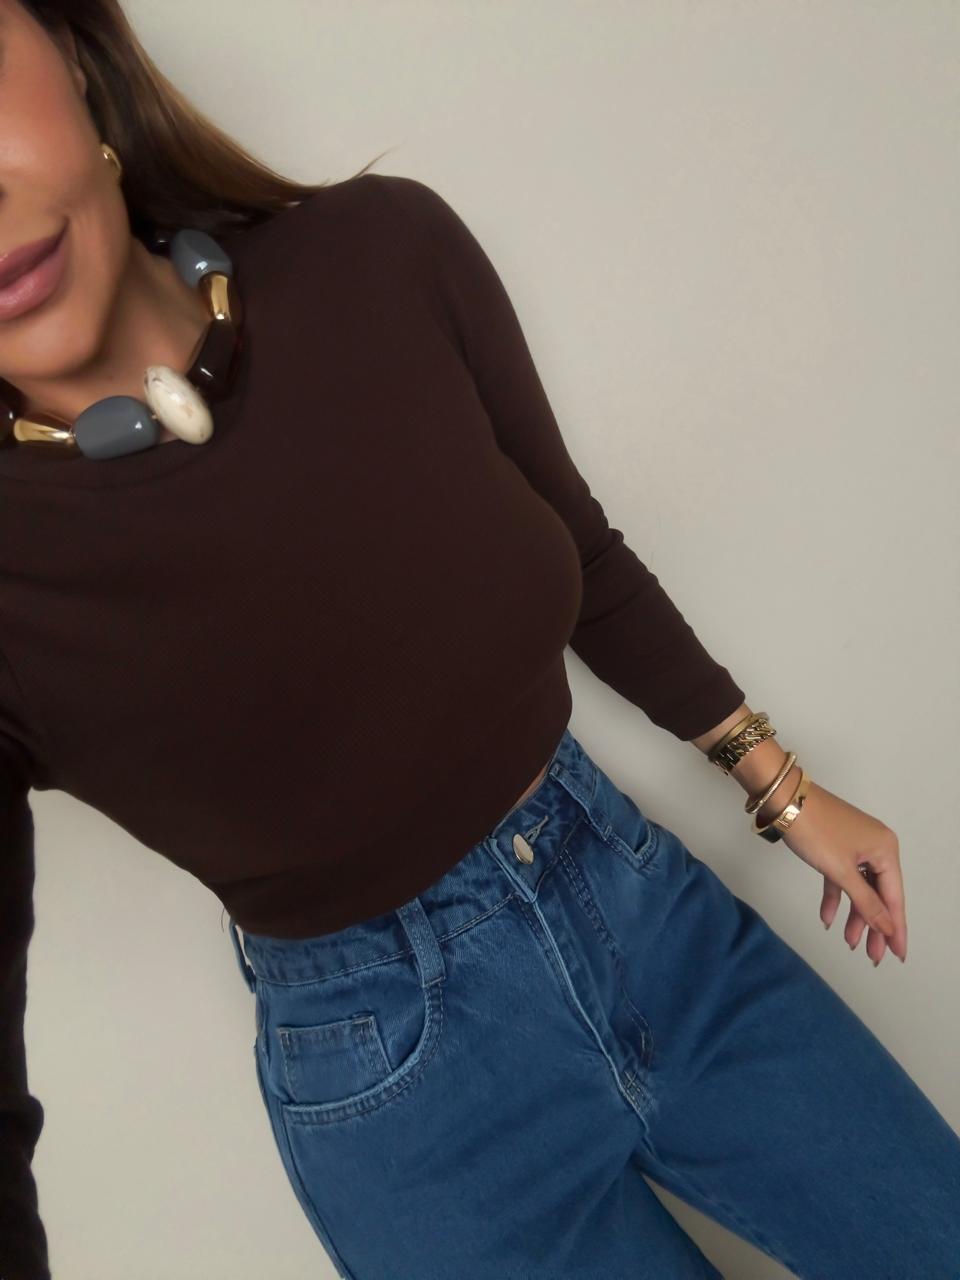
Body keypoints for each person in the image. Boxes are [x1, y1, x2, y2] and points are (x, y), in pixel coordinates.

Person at [1, 3, 957, 1278]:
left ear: (72, 47)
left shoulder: (383, 252)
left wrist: (780, 785)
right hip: (408, 1103)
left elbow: (579, 545)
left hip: (652, 918)